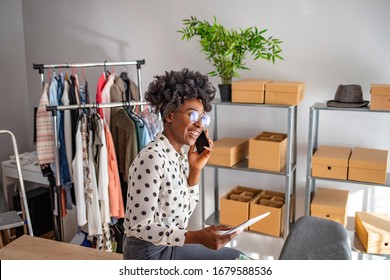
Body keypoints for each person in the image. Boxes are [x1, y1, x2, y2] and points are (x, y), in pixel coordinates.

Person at [122, 68, 243, 260]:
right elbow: (140, 226)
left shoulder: (180, 157)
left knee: (238, 257)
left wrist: (195, 170)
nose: (200, 125)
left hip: (170, 245)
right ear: (170, 115)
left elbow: (182, 214)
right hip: (147, 253)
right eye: (193, 115)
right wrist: (196, 237)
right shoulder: (152, 159)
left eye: (203, 118)